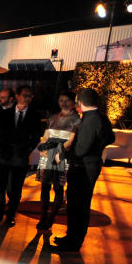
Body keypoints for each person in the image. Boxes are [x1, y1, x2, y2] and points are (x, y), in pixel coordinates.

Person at [52, 88, 114, 252]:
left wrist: (63, 156)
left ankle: (73, 242)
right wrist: (98, 147)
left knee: (77, 205)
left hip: (82, 168)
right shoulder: (101, 117)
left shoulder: (89, 120)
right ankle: (72, 238)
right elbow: (110, 137)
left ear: (80, 102)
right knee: (79, 205)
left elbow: (80, 149)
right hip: (90, 166)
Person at [0, 86, 40, 226]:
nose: (27, 98)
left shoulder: (34, 116)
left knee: (16, 189)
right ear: (17, 96)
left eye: (30, 96)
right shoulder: (5, 114)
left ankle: (10, 215)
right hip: (4, 155)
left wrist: (28, 150)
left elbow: (36, 136)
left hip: (21, 157)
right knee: (0, 186)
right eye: (25, 95)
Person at [35, 90, 80, 231]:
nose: (63, 103)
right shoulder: (53, 117)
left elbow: (71, 141)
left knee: (58, 188)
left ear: (73, 103)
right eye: (61, 100)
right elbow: (46, 136)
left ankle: (51, 217)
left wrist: (58, 151)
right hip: (48, 154)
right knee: (44, 187)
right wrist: (41, 147)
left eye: (67, 100)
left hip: (62, 156)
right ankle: (43, 216)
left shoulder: (77, 120)